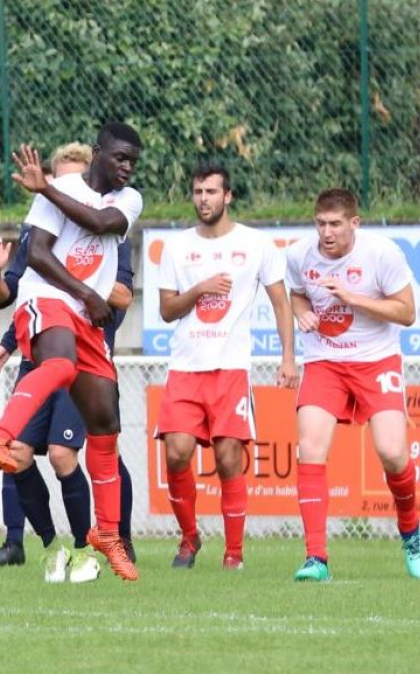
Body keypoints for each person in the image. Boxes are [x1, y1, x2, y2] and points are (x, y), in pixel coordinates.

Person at [0, 122, 144, 581]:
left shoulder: (128, 200)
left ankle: (107, 534)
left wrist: (45, 189)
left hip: (87, 318)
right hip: (47, 299)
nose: (127, 167)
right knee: (59, 365)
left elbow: (102, 224)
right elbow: (37, 255)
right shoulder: (62, 189)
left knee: (106, 424)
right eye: (120, 157)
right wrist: (85, 293)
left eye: (133, 161)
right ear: (97, 152)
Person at [155, 164, 297, 571]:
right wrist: (199, 289)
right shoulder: (176, 247)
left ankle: (234, 553)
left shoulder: (255, 244)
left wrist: (288, 358)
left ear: (228, 196)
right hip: (185, 368)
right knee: (176, 455)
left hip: (230, 370)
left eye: (212, 191)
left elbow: (281, 303)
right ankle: (189, 539)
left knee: (229, 458)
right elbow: (167, 310)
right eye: (198, 191)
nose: (204, 199)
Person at [285, 188, 420, 582]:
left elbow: (407, 313)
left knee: (392, 452)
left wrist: (354, 299)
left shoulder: (381, 254)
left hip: (376, 360)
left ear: (355, 223)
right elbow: (297, 294)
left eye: (335, 224)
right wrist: (303, 313)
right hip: (325, 361)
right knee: (310, 449)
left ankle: (412, 534)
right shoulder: (299, 254)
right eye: (320, 223)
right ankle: (316, 558)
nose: (326, 232)